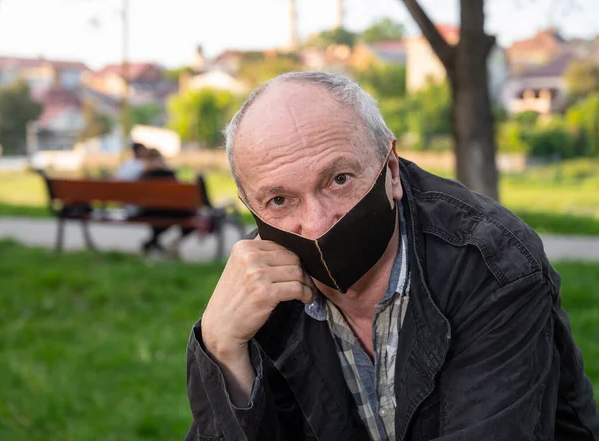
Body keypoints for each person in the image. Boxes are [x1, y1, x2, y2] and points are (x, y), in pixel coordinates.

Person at [185, 72, 599, 441]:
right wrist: (221, 348)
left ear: (392, 170)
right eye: (279, 200)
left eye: (338, 180)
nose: (315, 224)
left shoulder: (490, 262)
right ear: (250, 207)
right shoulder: (259, 289)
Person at [136, 148, 195, 256]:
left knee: (161, 219)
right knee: (193, 216)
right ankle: (171, 244)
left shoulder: (143, 176)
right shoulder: (168, 174)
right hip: (169, 211)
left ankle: (152, 242)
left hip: (148, 212)